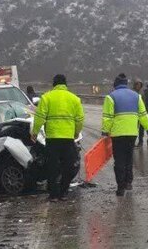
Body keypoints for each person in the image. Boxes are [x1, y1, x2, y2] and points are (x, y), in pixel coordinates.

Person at [31, 74, 84, 202]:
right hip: (68, 138)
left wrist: (34, 132)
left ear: (53, 84)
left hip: (52, 138)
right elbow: (80, 119)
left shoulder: (46, 97)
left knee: (52, 167)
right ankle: (64, 192)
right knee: (68, 166)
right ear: (66, 84)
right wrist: (76, 132)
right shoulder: (74, 99)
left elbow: (39, 117)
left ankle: (54, 195)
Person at [102, 73, 148, 196]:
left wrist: (105, 132)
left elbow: (107, 118)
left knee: (119, 160)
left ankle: (120, 188)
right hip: (132, 133)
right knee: (129, 158)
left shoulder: (111, 97)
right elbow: (143, 114)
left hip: (117, 134)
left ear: (116, 84)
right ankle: (128, 182)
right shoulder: (136, 96)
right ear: (126, 84)